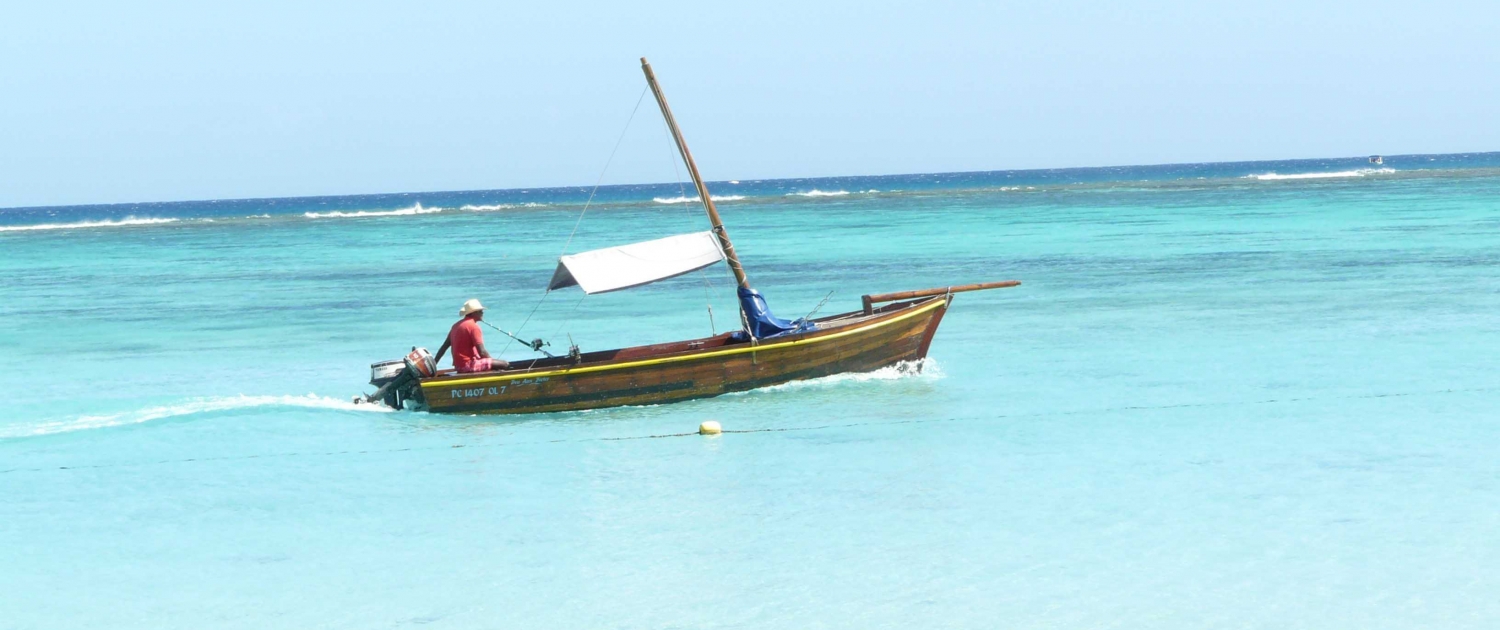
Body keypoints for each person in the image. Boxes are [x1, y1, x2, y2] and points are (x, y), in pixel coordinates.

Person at [434, 299, 509, 373]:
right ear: (474, 313)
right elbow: (482, 352)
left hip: (458, 367)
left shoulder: (456, 325)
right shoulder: (473, 326)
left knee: (496, 364)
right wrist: (492, 363)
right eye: (480, 311)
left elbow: (443, 348)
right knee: (505, 364)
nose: (482, 313)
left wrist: (434, 364)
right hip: (469, 365)